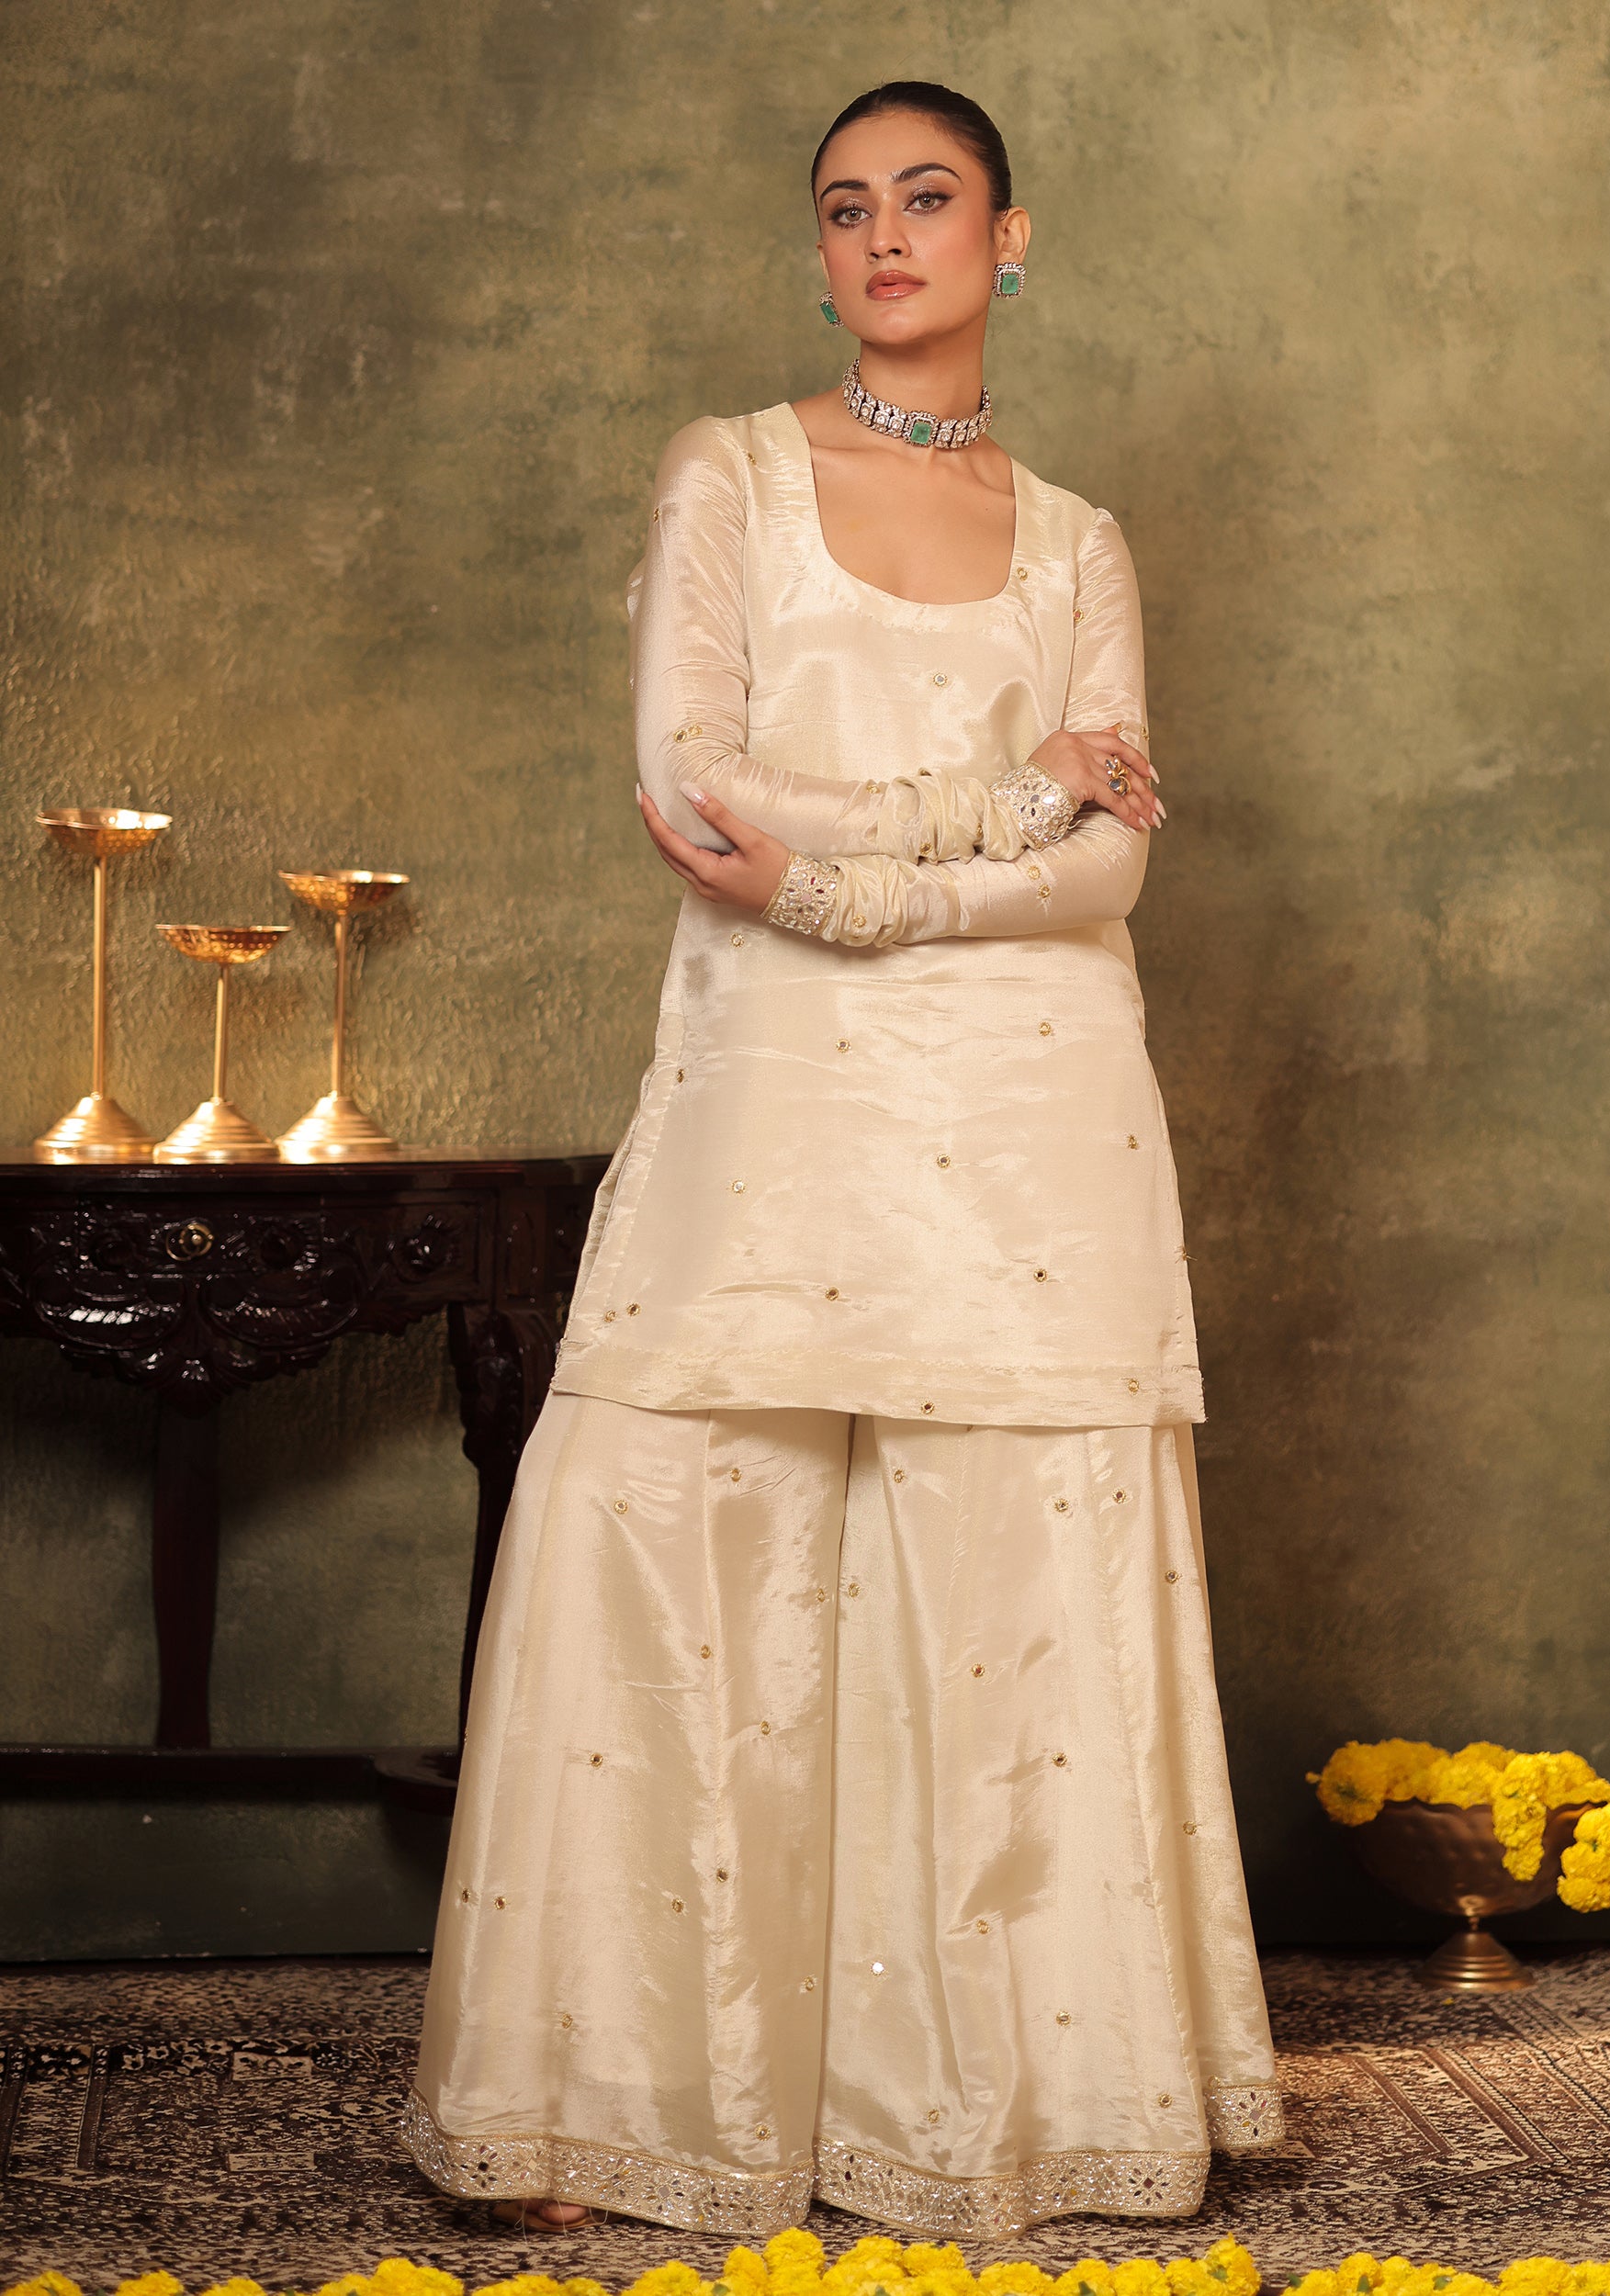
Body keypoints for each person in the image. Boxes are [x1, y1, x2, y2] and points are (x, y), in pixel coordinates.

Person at [406, 80, 1280, 2245]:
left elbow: (1108, 877)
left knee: (1009, 1573)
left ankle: (1003, 2110)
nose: (883, 235)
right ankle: (634, 2095)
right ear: (818, 254)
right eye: (844, 207)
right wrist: (990, 802)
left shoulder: (1078, 543)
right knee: (678, 1515)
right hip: (775, 1085)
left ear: (1008, 239)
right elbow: (693, 782)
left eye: (928, 198)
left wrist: (845, 879)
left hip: (1036, 1108)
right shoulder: (725, 472)